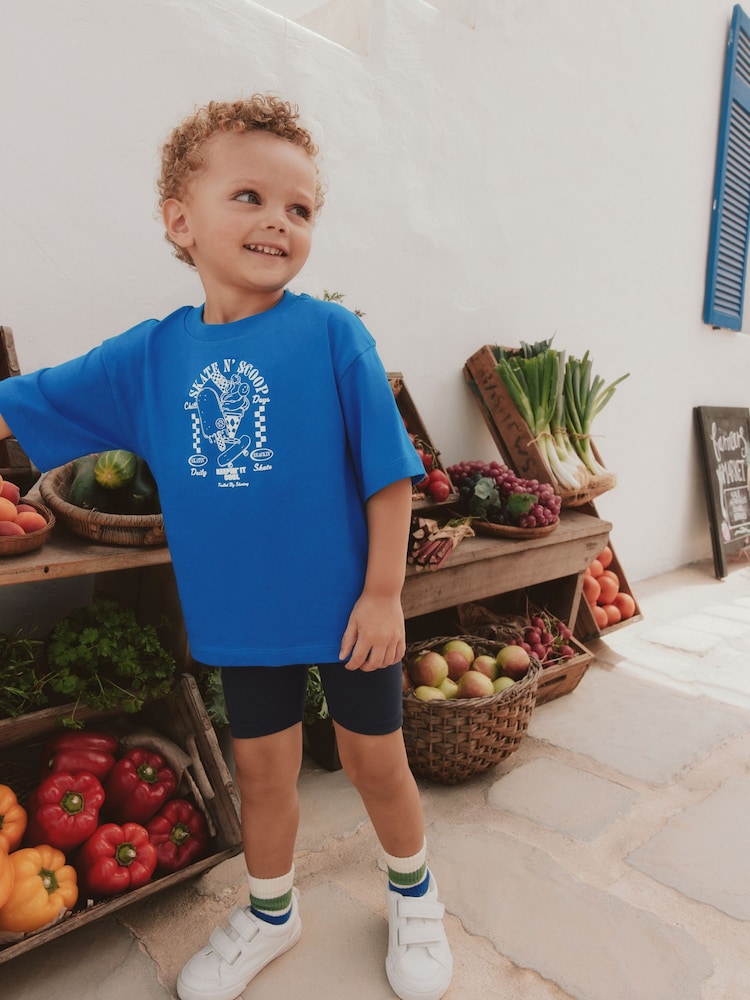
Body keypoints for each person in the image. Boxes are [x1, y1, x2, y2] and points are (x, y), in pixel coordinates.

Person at [0, 95, 453, 1000]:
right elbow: (31, 399)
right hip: (242, 615)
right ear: (181, 219)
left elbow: (389, 474)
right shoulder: (149, 357)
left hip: (349, 608)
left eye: (300, 208)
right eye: (248, 196)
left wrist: (382, 593)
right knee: (261, 767)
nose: (277, 222)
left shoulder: (332, 334)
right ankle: (272, 912)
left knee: (374, 760)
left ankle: (417, 896)